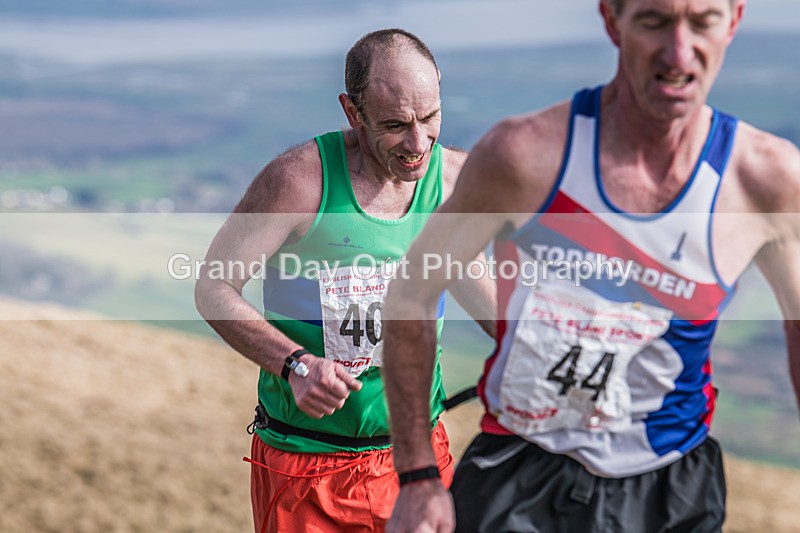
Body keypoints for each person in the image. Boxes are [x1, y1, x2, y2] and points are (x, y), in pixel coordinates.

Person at [382, 1, 800, 532]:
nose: (678, 50)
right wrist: (418, 477)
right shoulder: (523, 157)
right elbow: (412, 295)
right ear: (611, 19)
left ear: (734, 20)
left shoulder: (768, 180)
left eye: (703, 21)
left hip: (671, 488)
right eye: (653, 20)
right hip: (522, 472)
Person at [194, 28, 495, 533]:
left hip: (419, 463)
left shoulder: (453, 182)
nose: (418, 143)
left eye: (430, 118)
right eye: (396, 124)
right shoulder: (297, 182)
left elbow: (483, 294)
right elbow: (212, 289)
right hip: (307, 468)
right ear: (353, 112)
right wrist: (294, 364)